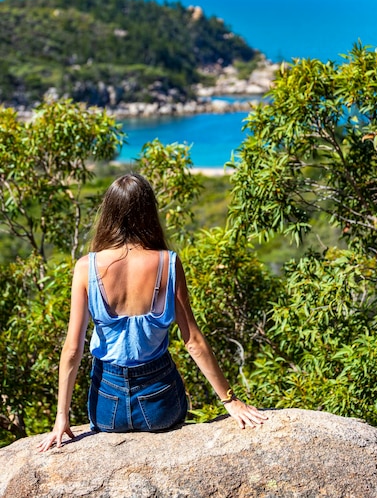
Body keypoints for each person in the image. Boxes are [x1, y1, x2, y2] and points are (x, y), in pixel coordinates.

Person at [37, 173, 267, 451]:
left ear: (108, 212)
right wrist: (230, 401)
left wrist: (61, 418)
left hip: (107, 409)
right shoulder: (168, 263)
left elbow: (73, 349)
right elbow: (192, 340)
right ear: (149, 211)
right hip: (161, 403)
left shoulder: (86, 267)